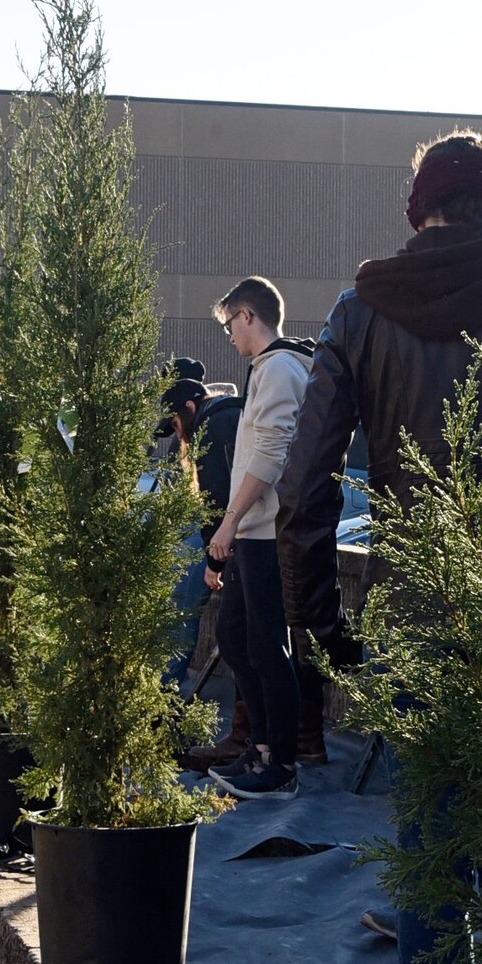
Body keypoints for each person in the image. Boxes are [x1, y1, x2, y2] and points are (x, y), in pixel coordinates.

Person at [276, 131, 482, 964]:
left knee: (428, 841)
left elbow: (304, 487)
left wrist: (322, 629)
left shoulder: (360, 311)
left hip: (416, 609)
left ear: (418, 209)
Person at [206, 277, 313, 800]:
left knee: (269, 647)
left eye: (229, 325)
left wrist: (228, 524)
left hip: (267, 533)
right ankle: (263, 749)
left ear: (248, 315)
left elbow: (270, 458)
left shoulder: (280, 370)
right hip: (252, 532)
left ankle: (282, 765)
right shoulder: (267, 371)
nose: (229, 336)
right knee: (236, 638)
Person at [155, 372, 244, 711]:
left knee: (184, 604)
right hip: (252, 537)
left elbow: (216, 502)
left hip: (246, 539)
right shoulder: (227, 414)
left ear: (190, 407)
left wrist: (213, 561)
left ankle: (165, 697)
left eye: (176, 424)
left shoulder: (214, 426)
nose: (178, 436)